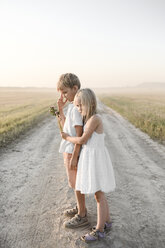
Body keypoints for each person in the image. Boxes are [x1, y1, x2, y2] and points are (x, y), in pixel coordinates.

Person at [61, 88, 116, 242]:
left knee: (99, 195)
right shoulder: (88, 118)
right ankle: (107, 221)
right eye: (77, 106)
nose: (78, 109)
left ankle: (99, 230)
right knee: (100, 194)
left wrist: (67, 137)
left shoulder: (95, 119)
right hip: (92, 160)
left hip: (96, 161)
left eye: (80, 106)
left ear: (90, 103)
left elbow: (82, 140)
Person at [57, 73, 88, 227]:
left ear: (75, 88)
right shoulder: (70, 107)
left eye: (65, 92)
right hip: (68, 150)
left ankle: (82, 215)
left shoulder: (76, 109)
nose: (63, 96)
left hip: (72, 151)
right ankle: (79, 207)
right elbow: (65, 127)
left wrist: (75, 155)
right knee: (73, 182)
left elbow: (78, 134)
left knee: (76, 183)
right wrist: (60, 110)